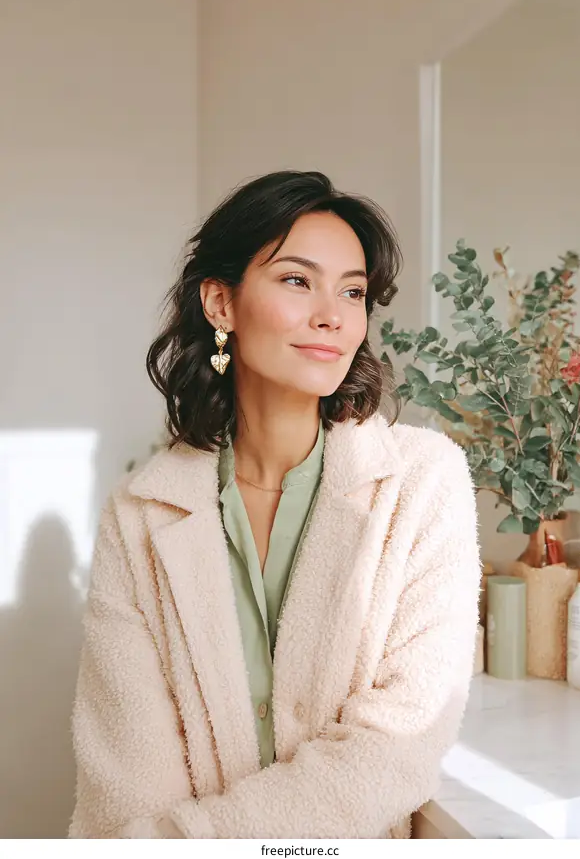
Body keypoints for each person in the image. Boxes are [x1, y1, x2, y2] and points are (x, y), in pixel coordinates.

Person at [68, 170, 480, 839]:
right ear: (221, 304)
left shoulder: (423, 484)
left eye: (352, 291)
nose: (334, 314)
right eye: (297, 280)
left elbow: (400, 743)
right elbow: (126, 777)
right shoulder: (140, 515)